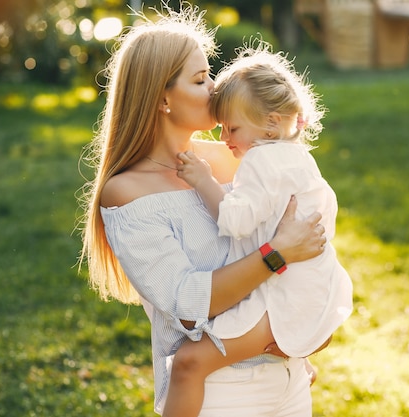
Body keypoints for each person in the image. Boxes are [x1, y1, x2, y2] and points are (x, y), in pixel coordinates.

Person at [78, 4, 329, 416]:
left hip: (289, 379)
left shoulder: (241, 158)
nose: (214, 88)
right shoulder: (126, 194)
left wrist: (309, 328)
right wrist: (276, 255)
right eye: (200, 79)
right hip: (222, 392)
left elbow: (311, 233)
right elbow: (189, 306)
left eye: (209, 74)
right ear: (162, 97)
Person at [162, 44, 354, 417]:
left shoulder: (261, 160)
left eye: (232, 128)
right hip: (312, 286)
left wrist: (204, 180)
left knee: (189, 363)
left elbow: (235, 219)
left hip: (284, 293)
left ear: (270, 123)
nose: (224, 139)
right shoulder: (296, 157)